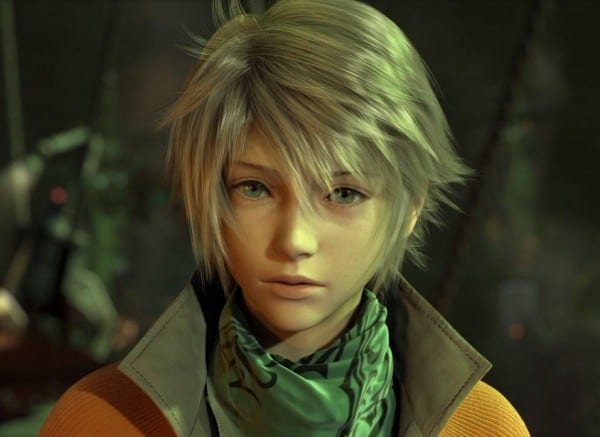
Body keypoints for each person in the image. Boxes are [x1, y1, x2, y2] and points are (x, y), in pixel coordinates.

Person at [40, 0, 530, 435]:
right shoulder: (100, 422)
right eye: (255, 188)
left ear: (411, 207)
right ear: (210, 194)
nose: (294, 239)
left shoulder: (481, 428)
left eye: (343, 193)